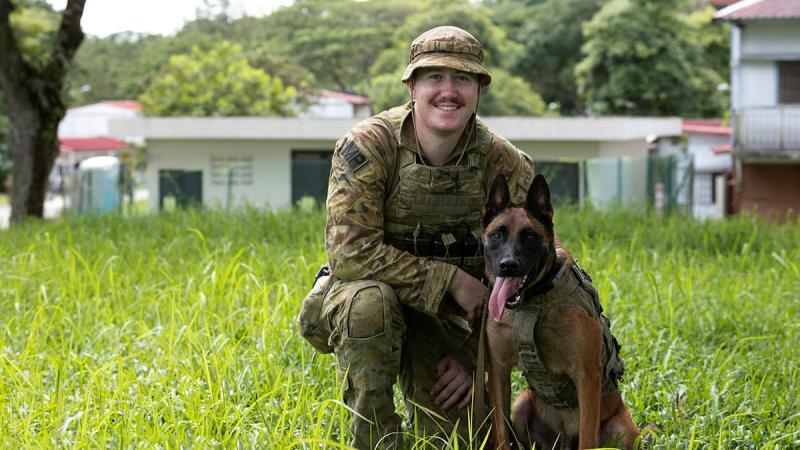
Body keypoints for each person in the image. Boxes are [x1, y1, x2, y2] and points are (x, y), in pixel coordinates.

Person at [297, 25, 535, 449]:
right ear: (411, 85)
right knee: (370, 304)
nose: (449, 90)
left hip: (452, 323)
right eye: (434, 77)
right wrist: (450, 280)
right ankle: (376, 440)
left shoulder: (505, 164)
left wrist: (474, 358)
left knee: (466, 441)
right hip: (368, 303)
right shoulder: (370, 146)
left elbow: (524, 276)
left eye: (463, 78)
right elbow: (350, 253)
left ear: (480, 88)